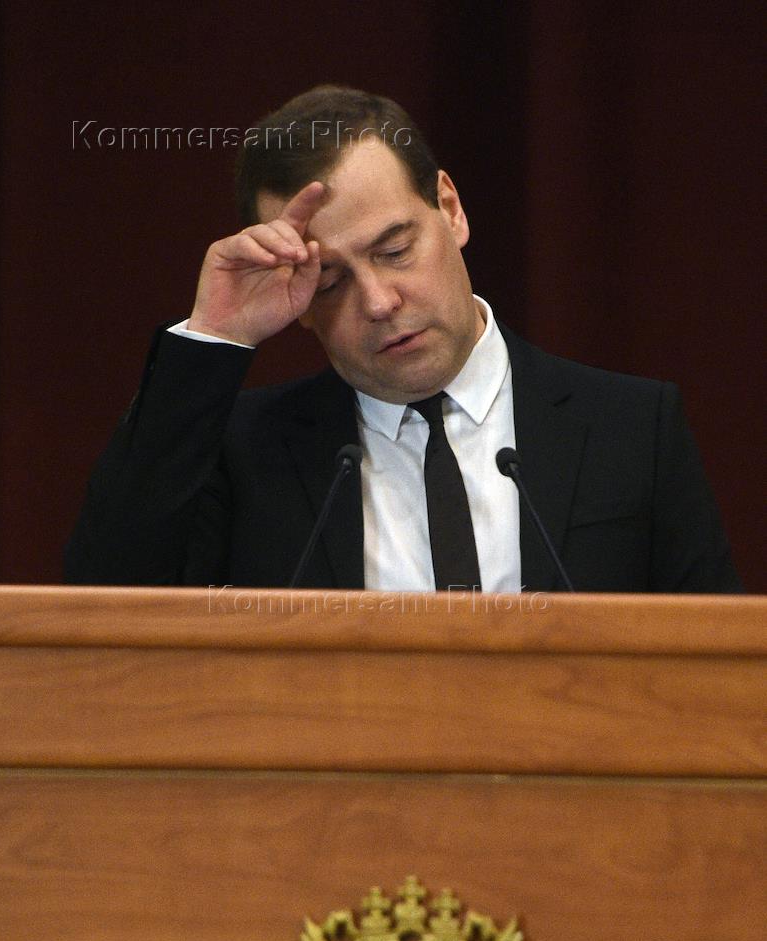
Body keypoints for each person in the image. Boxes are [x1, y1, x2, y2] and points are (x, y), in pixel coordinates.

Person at [65, 86, 741, 593]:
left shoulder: (633, 428)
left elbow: (717, 672)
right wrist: (215, 334)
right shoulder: (242, 454)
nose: (379, 303)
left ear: (450, 207)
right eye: (330, 281)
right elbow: (104, 605)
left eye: (394, 250)